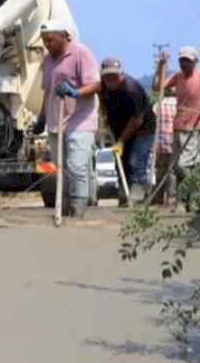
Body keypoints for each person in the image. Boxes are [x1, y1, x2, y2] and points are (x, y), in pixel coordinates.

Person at [34, 19, 100, 218]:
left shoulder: (81, 54)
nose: (47, 44)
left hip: (80, 120)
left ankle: (79, 205)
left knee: (76, 165)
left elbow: (97, 85)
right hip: (56, 122)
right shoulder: (48, 60)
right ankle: (67, 205)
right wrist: (42, 118)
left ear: (64, 36)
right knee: (62, 168)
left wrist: (75, 93)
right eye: (44, 41)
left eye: (51, 40)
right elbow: (48, 92)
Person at [89, 58, 155, 207]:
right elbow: (100, 93)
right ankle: (125, 195)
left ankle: (139, 197)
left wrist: (121, 140)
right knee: (122, 162)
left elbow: (137, 120)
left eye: (114, 75)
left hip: (142, 130)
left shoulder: (131, 89)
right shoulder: (105, 84)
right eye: (107, 75)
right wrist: (104, 114)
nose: (111, 78)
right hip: (120, 128)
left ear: (121, 74)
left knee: (135, 162)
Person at [156, 46, 200, 206]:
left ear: (195, 61)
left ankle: (194, 197)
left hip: (196, 127)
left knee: (185, 164)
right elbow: (157, 87)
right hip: (178, 126)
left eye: (187, 61)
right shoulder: (178, 77)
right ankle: (188, 200)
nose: (184, 64)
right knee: (177, 167)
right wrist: (161, 66)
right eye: (181, 60)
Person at [153, 92, 178, 206]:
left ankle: (158, 197)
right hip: (174, 142)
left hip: (160, 143)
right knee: (172, 172)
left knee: (160, 171)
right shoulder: (179, 104)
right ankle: (170, 198)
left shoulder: (158, 105)